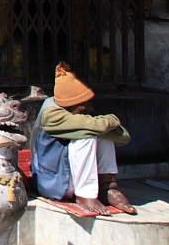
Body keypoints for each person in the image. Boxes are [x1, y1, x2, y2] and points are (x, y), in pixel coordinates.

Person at [32, 63, 136, 214]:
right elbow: (98, 127)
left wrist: (105, 126)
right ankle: (85, 195)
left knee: (101, 135)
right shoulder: (51, 115)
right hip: (52, 182)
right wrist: (112, 120)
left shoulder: (79, 113)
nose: (90, 109)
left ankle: (107, 187)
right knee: (87, 136)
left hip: (70, 178)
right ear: (70, 105)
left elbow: (123, 137)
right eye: (85, 105)